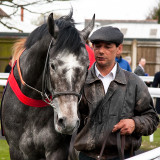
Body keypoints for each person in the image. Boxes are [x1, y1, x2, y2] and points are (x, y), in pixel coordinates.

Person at [74, 26, 159, 160]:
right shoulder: (79, 82)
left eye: (107, 47)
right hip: (87, 156)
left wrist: (134, 123)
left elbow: (152, 119)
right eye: (97, 46)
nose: (101, 51)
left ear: (119, 49)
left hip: (123, 156)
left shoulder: (134, 83)